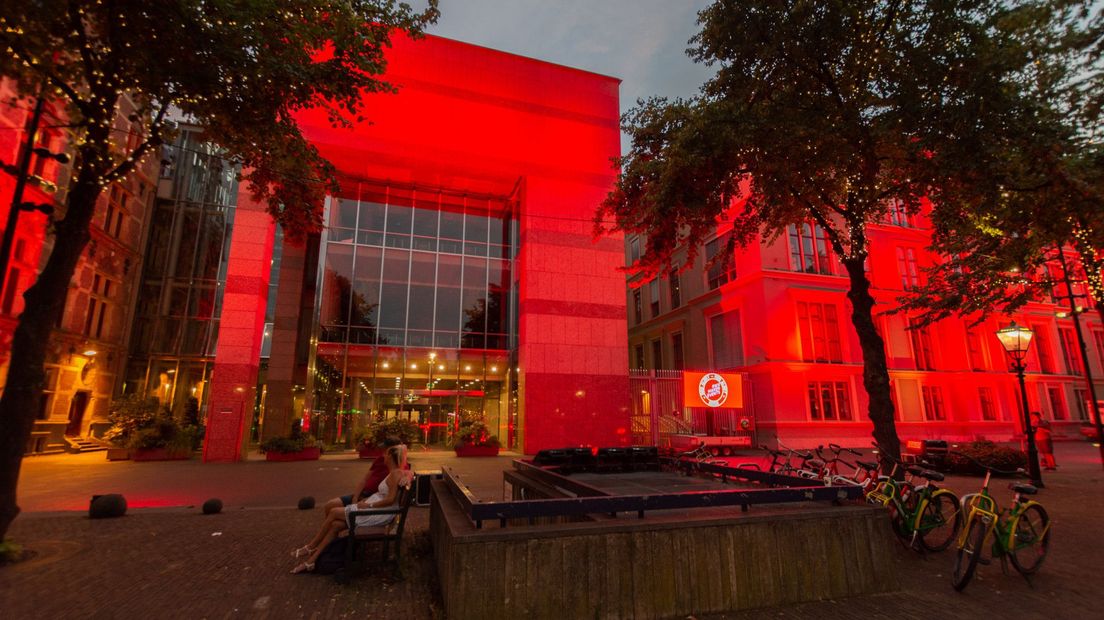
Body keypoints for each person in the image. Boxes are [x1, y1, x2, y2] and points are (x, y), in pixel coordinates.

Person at [290, 444, 414, 573]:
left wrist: (368, 505)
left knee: (333, 511)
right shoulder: (394, 473)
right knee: (336, 525)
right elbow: (404, 476)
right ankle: (311, 561)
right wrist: (365, 501)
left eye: (386, 454)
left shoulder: (395, 473)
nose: (383, 456)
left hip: (378, 513)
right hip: (371, 508)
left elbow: (390, 499)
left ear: (390, 457)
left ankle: (311, 546)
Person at [321, 436, 402, 516]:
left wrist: (407, 477)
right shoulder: (380, 460)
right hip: (363, 494)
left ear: (393, 451)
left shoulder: (399, 465)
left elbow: (406, 474)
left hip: (374, 497)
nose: (383, 452)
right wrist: (355, 497)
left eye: (385, 450)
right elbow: (364, 480)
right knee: (330, 505)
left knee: (335, 515)